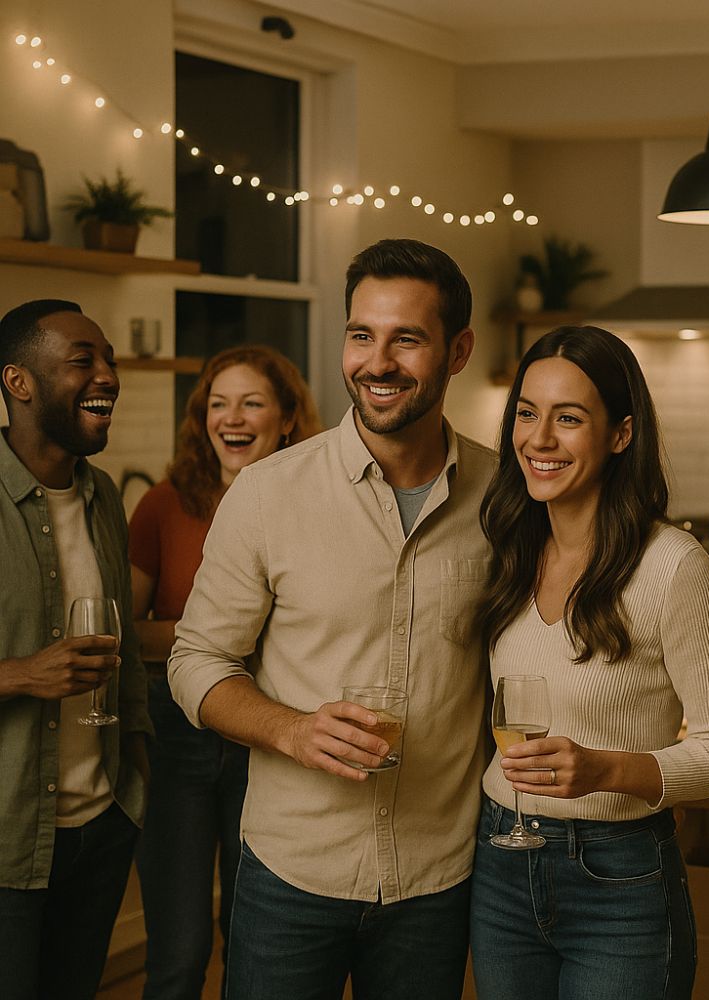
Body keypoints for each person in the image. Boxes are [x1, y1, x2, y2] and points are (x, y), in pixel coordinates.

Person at [168, 239, 496, 1000]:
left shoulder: (505, 497)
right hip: (292, 873)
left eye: (406, 338)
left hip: (437, 879)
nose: (376, 362)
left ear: (458, 351)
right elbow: (195, 663)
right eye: (361, 335)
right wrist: (290, 728)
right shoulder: (267, 493)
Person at [469, 325, 709, 1000]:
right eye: (527, 414)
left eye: (568, 419)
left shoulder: (672, 566)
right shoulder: (505, 549)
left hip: (619, 879)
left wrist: (606, 769)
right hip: (500, 862)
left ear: (621, 434)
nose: (539, 439)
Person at [130, 345, 322, 1000]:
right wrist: (215, 638)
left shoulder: (317, 507)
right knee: (178, 951)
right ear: (200, 419)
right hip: (179, 734)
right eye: (217, 403)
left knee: (258, 938)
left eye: (251, 402)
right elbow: (120, 630)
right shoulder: (162, 505)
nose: (231, 417)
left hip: (273, 738)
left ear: (289, 418)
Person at [0, 299, 152, 1000]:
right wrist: (20, 675)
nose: (107, 376)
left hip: (99, 827)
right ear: (18, 382)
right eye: (82, 360)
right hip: (5, 845)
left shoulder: (104, 501)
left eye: (110, 361)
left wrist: (133, 793)